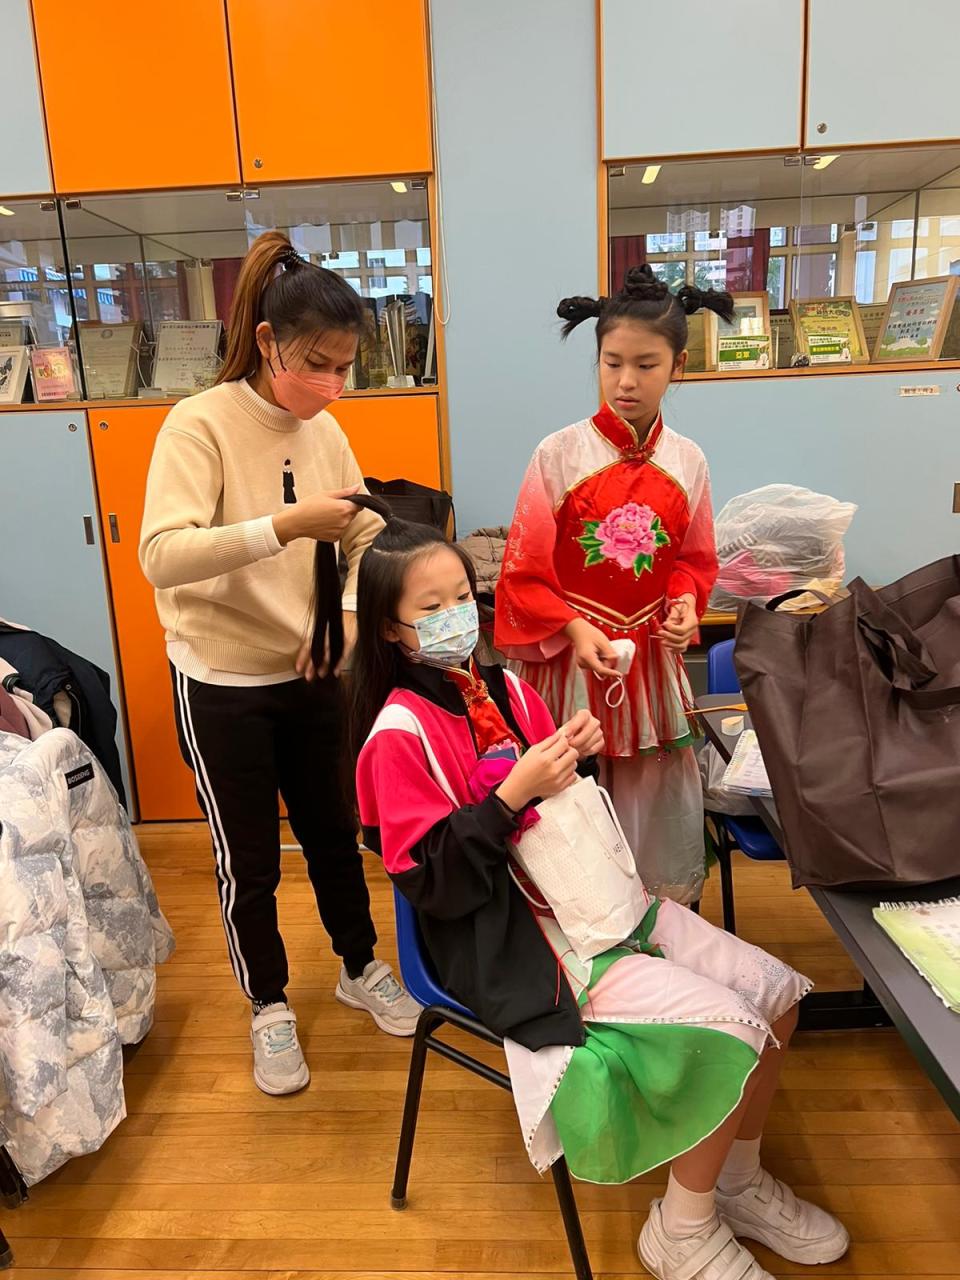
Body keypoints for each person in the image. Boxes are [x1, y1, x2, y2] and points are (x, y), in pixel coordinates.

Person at [351, 513, 849, 1280]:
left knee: (776, 995)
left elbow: (562, 812)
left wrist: (573, 756)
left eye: (462, 597)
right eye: (430, 607)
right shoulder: (397, 737)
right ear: (390, 627)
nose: (455, 616)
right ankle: (682, 1231)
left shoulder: (509, 690)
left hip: (593, 901)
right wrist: (511, 795)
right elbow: (434, 884)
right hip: (515, 939)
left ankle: (738, 1182)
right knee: (734, 1029)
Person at [139, 231, 420, 1097]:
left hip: (312, 675)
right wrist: (283, 528)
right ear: (267, 343)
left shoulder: (325, 429)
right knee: (250, 859)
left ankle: (359, 965)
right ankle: (267, 1005)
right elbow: (162, 555)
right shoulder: (200, 424)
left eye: (344, 367)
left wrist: (344, 618)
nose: (332, 385)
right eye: (317, 364)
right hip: (222, 681)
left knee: (337, 832)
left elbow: (368, 533)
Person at [495, 264, 729, 905]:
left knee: (653, 794)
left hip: (648, 660)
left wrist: (685, 603)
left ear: (678, 366)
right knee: (567, 793)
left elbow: (693, 560)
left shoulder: (689, 460)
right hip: (571, 658)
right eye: (612, 362)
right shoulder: (558, 454)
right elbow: (522, 573)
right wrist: (575, 628)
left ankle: (658, 917)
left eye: (647, 365)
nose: (627, 381)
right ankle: (576, 921)